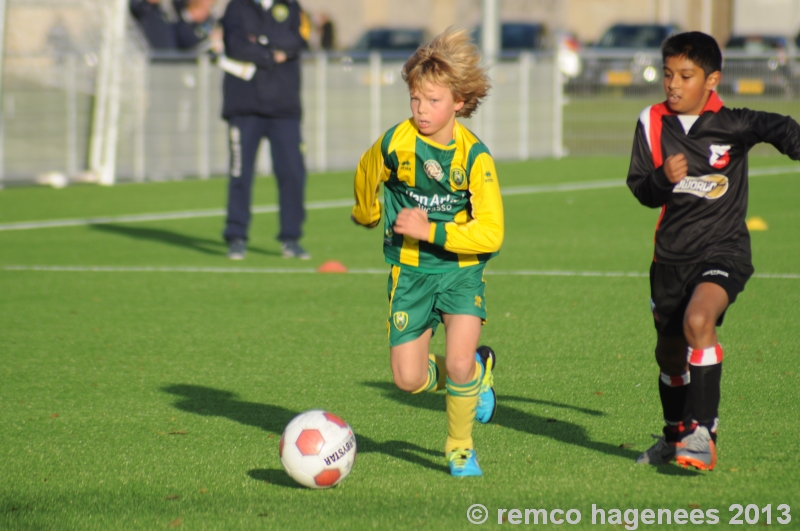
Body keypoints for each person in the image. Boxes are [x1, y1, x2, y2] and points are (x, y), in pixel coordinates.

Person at [627, 31, 800, 471]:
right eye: (668, 74)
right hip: (670, 258)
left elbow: (781, 128)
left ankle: (704, 431)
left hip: (724, 251)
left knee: (698, 321)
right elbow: (642, 191)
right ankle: (674, 436)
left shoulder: (733, 122)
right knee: (668, 355)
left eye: (686, 75)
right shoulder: (651, 121)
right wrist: (663, 177)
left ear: (711, 80)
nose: (673, 84)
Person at [351, 28, 504, 477]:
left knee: (455, 361)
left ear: (458, 102)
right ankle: (478, 372)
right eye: (415, 100)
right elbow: (366, 170)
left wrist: (431, 229)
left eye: (432, 101)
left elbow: (491, 234)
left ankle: (459, 447)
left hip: (460, 272)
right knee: (409, 379)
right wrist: (366, 211)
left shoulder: (475, 158)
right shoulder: (395, 143)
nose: (421, 110)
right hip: (410, 272)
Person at [220, 0, 312, 260]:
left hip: (284, 106)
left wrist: (259, 40)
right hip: (244, 105)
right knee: (240, 173)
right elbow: (235, 45)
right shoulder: (237, 6)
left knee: (292, 172)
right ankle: (236, 236)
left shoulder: (291, 6)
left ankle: (291, 238)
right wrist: (271, 54)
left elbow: (298, 40)